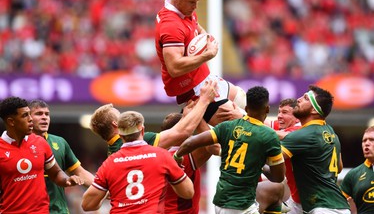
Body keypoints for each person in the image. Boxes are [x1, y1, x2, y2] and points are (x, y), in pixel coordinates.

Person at [174, 86, 286, 214]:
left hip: (220, 203)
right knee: (277, 187)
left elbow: (190, 142)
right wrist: (257, 165)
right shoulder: (269, 135)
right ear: (267, 109)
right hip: (242, 206)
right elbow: (278, 177)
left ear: (246, 109)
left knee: (274, 190)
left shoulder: (227, 127)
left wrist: (176, 157)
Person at [154, 0, 246, 126]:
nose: (195, 6)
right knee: (239, 123)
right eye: (192, 2)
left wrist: (207, 37)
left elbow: (196, 26)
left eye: (197, 1)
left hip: (204, 77)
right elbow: (174, 67)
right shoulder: (171, 25)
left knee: (242, 99)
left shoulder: (184, 11)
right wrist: (207, 55)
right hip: (193, 89)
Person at [81, 111, 194, 212]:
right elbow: (188, 192)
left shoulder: (109, 163)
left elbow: (87, 205)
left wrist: (105, 195)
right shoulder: (162, 156)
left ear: (120, 135)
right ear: (143, 130)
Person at [0, 96, 84, 213]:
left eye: (30, 114)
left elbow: (56, 173)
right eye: (25, 115)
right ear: (11, 121)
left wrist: (67, 180)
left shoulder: (40, 143)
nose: (30, 119)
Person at [89, 80, 219, 155]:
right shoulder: (136, 140)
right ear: (115, 124)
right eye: (119, 115)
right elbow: (181, 132)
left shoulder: (112, 152)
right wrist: (204, 100)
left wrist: (186, 116)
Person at [280, 85, 350, 214]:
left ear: (314, 110)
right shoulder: (331, 133)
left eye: (306, 98)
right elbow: (339, 167)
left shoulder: (305, 134)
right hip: (335, 205)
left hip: (324, 208)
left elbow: (272, 158)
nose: (299, 99)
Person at [28, 99, 94, 214]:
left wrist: (103, 188)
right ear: (28, 118)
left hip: (59, 211)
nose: (45, 117)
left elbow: (80, 172)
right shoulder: (17, 145)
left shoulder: (59, 142)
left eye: (47, 114)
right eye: (39, 114)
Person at [266, 98, 303, 214]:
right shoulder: (284, 126)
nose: (279, 116)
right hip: (297, 200)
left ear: (297, 117)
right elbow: (261, 123)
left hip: (313, 202)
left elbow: (261, 129)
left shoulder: (300, 130)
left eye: (285, 112)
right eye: (279, 112)